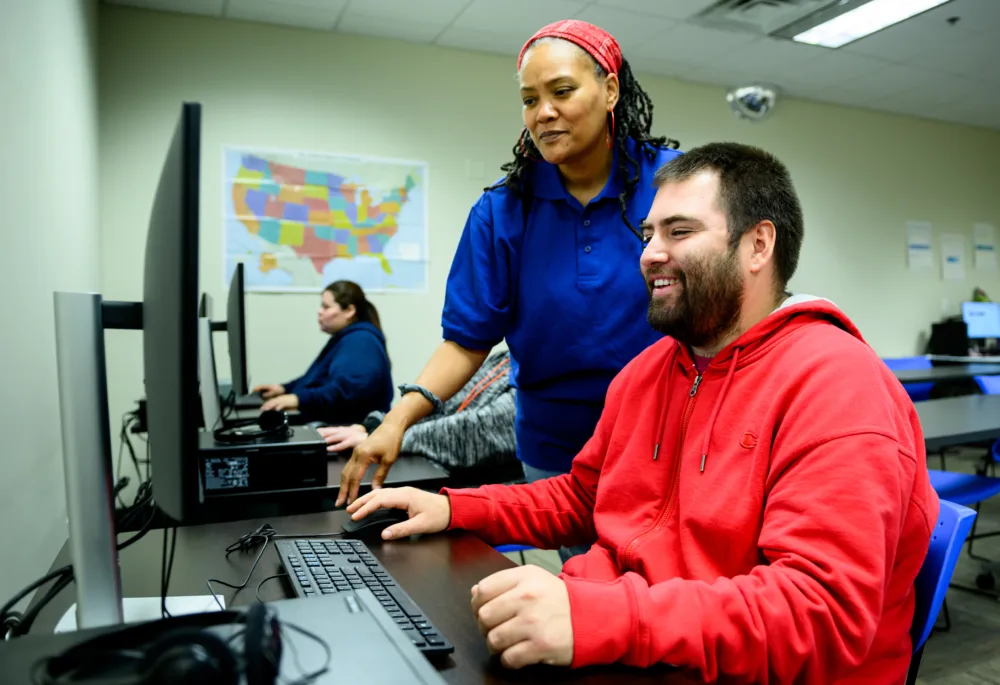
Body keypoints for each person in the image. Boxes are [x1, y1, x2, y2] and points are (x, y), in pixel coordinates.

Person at [344, 142, 938, 682]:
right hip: (639, 642)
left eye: (678, 231)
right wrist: (453, 508)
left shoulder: (839, 385)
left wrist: (606, 617)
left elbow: (821, 616)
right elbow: (585, 497)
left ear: (758, 245)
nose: (650, 253)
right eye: (649, 233)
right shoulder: (653, 369)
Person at [337, 20, 683, 525]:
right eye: (529, 99)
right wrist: (397, 422)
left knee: (667, 589)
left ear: (610, 90)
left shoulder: (678, 184)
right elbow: (466, 341)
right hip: (554, 448)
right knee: (580, 581)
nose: (544, 113)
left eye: (562, 91)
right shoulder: (503, 210)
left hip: (670, 437)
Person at [317, 349, 519, 483]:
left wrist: (394, 437)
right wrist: (379, 427)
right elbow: (441, 404)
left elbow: (476, 433)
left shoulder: (534, 373)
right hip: (440, 471)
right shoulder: (502, 359)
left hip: (479, 486)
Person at [252, 280, 392, 425]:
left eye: (326, 307)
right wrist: (285, 389)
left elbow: (347, 391)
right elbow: (318, 378)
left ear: (349, 311)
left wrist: (299, 399)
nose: (319, 311)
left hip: (346, 430)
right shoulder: (346, 338)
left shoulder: (361, 341)